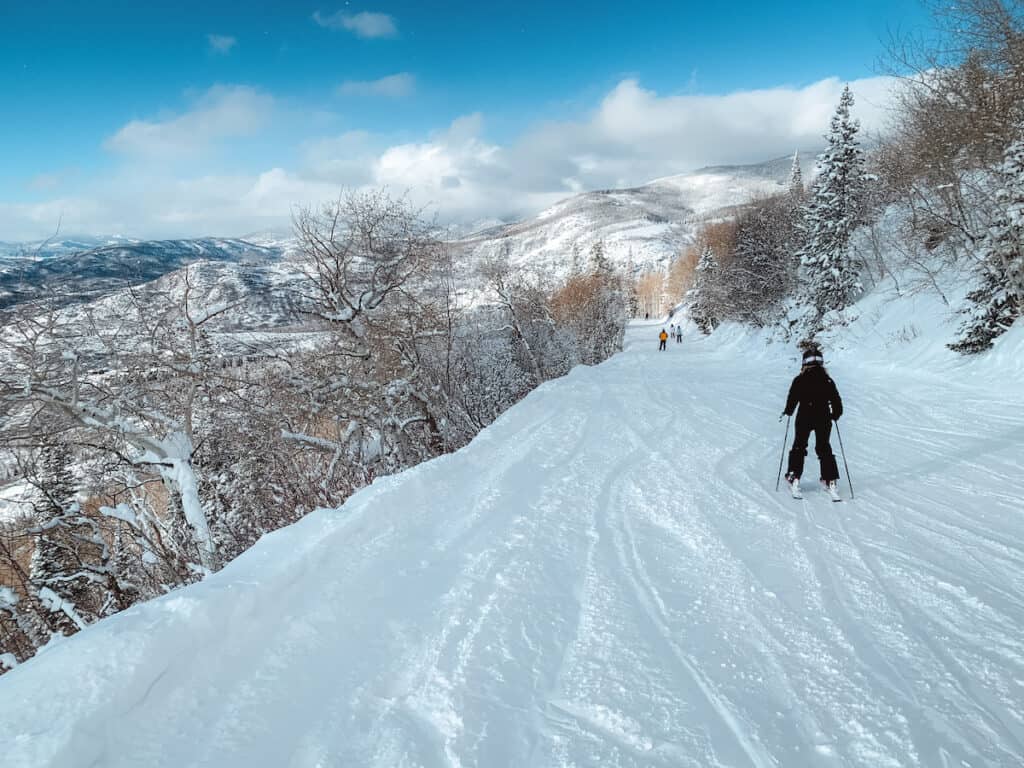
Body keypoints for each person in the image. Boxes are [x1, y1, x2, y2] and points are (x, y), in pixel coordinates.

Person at [781, 345, 843, 497]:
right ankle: (830, 479)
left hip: (805, 416)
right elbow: (836, 401)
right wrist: (835, 414)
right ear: (821, 363)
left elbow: (792, 398)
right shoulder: (827, 380)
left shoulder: (800, 380)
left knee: (799, 446)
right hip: (823, 417)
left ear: (804, 363)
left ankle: (794, 476)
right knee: (824, 447)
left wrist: (788, 411)